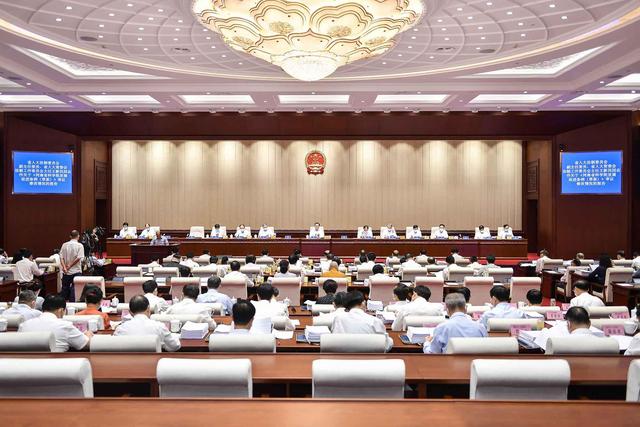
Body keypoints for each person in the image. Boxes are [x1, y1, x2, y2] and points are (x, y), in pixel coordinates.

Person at [18, 294, 91, 352]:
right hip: (55, 364)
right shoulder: (65, 326)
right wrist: (88, 335)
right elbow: (86, 345)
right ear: (61, 310)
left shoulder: (24, 325)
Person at [114, 295, 180, 351]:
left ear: (130, 312)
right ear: (148, 309)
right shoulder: (159, 326)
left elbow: (114, 348)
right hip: (155, 362)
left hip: (128, 362)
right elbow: (175, 346)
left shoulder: (120, 329)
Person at [59, 230, 85, 302]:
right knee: (75, 289)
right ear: (78, 236)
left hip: (66, 271)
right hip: (76, 271)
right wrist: (69, 266)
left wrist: (64, 267)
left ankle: (62, 304)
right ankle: (73, 305)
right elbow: (78, 258)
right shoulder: (80, 245)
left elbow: (61, 257)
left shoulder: (64, 245)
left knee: (65, 289)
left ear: (70, 236)